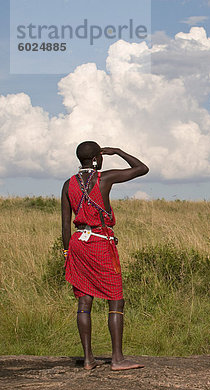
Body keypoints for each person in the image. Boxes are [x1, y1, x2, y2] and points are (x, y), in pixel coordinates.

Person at [61, 141, 149, 371]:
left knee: (84, 300)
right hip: (100, 244)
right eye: (101, 157)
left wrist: (67, 254)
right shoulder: (105, 179)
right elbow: (142, 168)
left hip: (77, 245)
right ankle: (118, 359)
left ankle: (88, 359)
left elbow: (64, 226)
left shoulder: (67, 184)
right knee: (115, 299)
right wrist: (117, 151)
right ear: (97, 158)